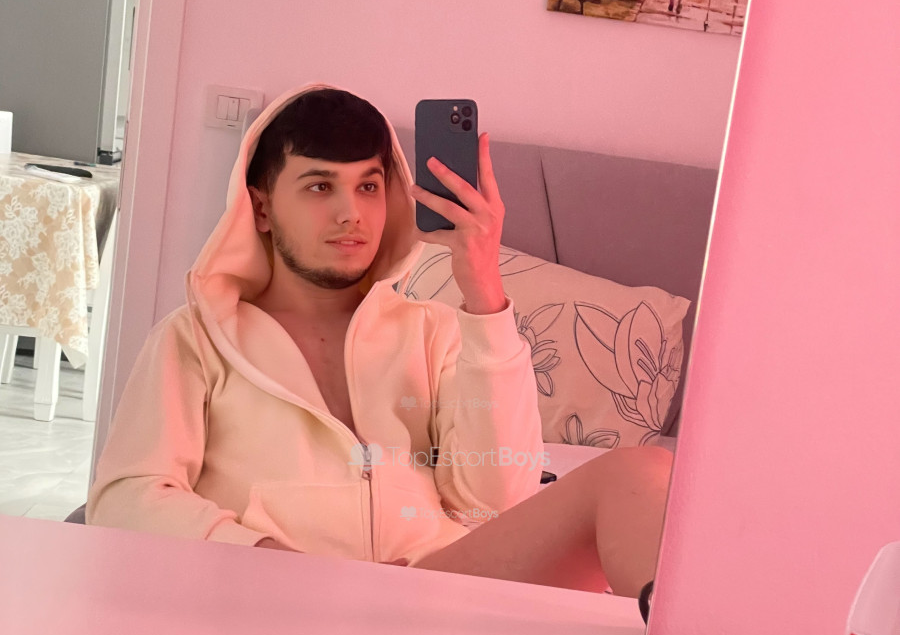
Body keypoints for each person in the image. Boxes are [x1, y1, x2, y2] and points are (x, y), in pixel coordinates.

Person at [87, 84, 673, 597]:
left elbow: (493, 502)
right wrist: (279, 566)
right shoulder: (197, 338)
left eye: (368, 186)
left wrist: (484, 294)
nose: (352, 213)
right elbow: (126, 497)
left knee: (641, 474)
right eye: (320, 186)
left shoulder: (437, 331)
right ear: (261, 208)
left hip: (426, 593)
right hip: (277, 601)